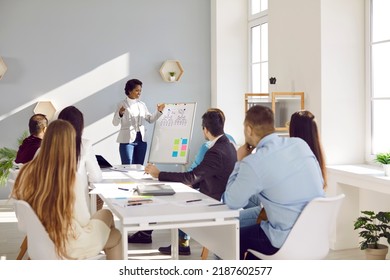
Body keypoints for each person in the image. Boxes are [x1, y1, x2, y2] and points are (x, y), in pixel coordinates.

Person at [222, 105, 325, 260]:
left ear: (249, 129)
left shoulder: (253, 163)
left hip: (284, 240)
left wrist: (238, 162)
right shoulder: (300, 145)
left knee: (228, 239)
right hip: (315, 236)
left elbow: (230, 202)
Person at [11, 120, 122, 259]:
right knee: (116, 235)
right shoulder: (69, 177)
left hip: (42, 243)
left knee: (106, 214)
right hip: (68, 246)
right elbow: (83, 220)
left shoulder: (26, 171)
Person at [144, 109, 237, 255]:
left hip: (212, 202)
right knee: (178, 195)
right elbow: (206, 176)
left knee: (176, 203)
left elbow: (191, 176)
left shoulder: (215, 151)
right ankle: (176, 242)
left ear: (205, 130)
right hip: (219, 196)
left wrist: (158, 174)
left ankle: (179, 245)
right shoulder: (229, 145)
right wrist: (191, 184)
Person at [239, 109, 328, 228]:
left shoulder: (290, 155)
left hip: (278, 216)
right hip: (301, 219)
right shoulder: (315, 158)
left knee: (230, 221)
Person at [58, 106, 103, 210]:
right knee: (101, 202)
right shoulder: (84, 144)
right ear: (80, 126)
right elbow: (96, 177)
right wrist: (83, 178)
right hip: (77, 211)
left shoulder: (44, 147)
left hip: (50, 214)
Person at [112, 78, 165, 165]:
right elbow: (115, 123)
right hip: (127, 140)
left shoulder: (142, 104)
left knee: (139, 166)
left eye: (140, 90)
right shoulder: (121, 104)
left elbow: (150, 119)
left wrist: (159, 111)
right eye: (137, 90)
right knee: (127, 166)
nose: (139, 93)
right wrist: (120, 113)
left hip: (141, 139)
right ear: (129, 91)